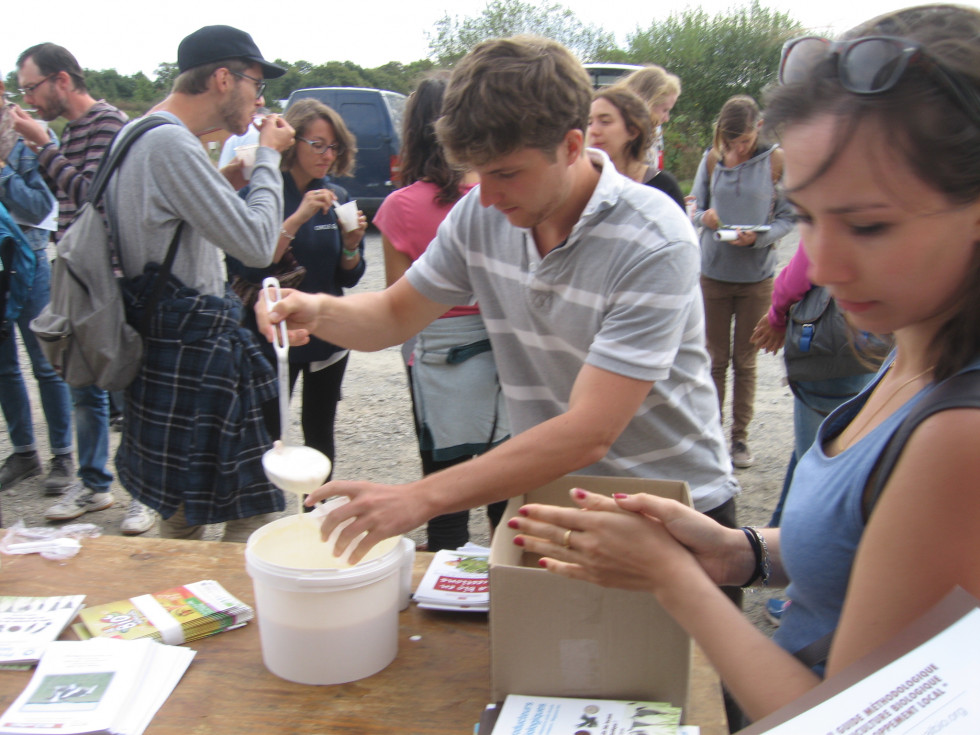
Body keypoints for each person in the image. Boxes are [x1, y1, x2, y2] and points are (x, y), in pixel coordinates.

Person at [509, 3, 980, 725]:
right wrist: (740, 551)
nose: (820, 262)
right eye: (809, 215)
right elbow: (869, 546)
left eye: (869, 224)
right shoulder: (915, 344)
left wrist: (673, 577)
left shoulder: (959, 437)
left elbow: (843, 719)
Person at [257, 35, 740, 567]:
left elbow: (590, 430)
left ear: (572, 146)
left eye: (506, 172)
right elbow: (395, 314)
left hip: (672, 510)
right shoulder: (481, 216)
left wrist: (419, 497)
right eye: (476, 172)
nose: (485, 196)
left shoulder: (654, 237)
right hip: (556, 499)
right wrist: (314, 309)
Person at [106, 24, 295, 541]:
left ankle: (181, 610)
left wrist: (225, 180)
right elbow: (257, 243)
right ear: (221, 79)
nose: (260, 98)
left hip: (164, 347)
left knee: (181, 511)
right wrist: (269, 159)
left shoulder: (138, 132)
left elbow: (170, 221)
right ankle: (241, 613)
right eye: (256, 84)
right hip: (197, 353)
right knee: (248, 516)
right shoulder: (171, 145)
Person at [10, 43, 154, 533]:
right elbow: (52, 201)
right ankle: (94, 484)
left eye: (32, 87)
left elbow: (94, 196)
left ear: (63, 80)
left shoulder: (108, 123)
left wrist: (44, 147)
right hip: (76, 274)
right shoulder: (70, 131)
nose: (29, 100)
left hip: (112, 277)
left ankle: (143, 493)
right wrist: (24, 155)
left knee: (129, 384)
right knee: (82, 381)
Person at [373, 75, 510, 551]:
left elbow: (396, 300)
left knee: (443, 486)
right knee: (505, 481)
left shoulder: (400, 207)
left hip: (434, 354)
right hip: (501, 349)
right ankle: (505, 582)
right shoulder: (496, 194)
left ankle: (445, 595)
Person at [227, 98, 367, 485]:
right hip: (274, 335)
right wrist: (299, 216)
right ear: (292, 142)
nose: (327, 154)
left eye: (334, 146)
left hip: (328, 335)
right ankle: (265, 512)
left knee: (320, 430)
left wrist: (352, 243)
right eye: (317, 144)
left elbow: (351, 277)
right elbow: (251, 264)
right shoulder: (263, 195)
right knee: (271, 431)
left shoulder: (336, 196)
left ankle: (315, 515)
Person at [751, 242, 881, 625]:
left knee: (817, 466)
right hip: (868, 347)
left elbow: (805, 265)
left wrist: (777, 316)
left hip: (832, 352)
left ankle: (791, 586)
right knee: (813, 456)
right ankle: (775, 558)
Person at [690, 95, 796, 468]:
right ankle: (712, 436)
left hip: (756, 277)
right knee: (714, 360)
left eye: (745, 141)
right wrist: (705, 218)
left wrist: (763, 236)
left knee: (746, 361)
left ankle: (739, 440)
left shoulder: (777, 162)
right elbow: (693, 207)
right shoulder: (712, 159)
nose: (738, 148)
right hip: (713, 273)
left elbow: (789, 217)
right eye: (732, 141)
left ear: (759, 128)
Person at [0, 80, 74, 496]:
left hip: (26, 262)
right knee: (4, 367)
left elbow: (41, 205)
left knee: (45, 362)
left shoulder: (26, 139)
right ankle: (24, 451)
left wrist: (3, 171)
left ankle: (62, 455)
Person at [586, 85, 685, 210]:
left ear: (633, 131)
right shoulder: (583, 187)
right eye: (589, 123)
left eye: (605, 121)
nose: (593, 131)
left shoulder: (663, 187)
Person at [619, 64, 680, 173]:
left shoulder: (647, 137)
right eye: (665, 110)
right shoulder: (626, 139)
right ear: (648, 103)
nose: (666, 118)